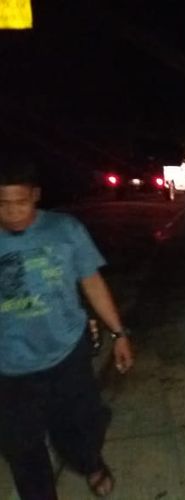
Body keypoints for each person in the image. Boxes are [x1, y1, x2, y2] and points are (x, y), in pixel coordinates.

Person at [0, 158, 134, 499]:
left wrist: (118, 333)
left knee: (81, 426)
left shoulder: (64, 229)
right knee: (22, 447)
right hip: (9, 367)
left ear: (36, 195)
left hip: (66, 353)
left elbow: (91, 281)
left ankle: (90, 462)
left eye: (21, 202)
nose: (13, 211)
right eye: (3, 203)